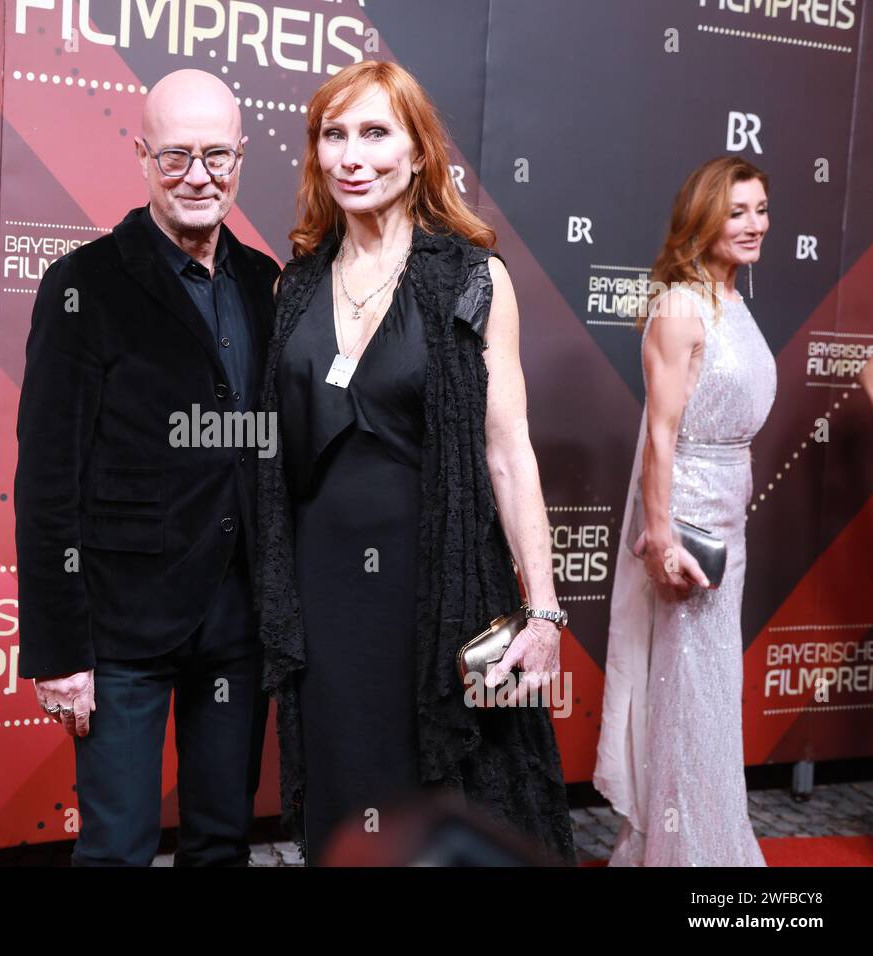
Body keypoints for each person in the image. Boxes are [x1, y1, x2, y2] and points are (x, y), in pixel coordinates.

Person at [256, 59, 576, 866]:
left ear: (419, 153)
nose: (353, 157)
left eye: (375, 133)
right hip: (323, 588)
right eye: (335, 135)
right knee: (343, 785)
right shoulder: (295, 285)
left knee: (444, 788)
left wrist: (541, 610)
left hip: (436, 585)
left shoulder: (472, 278)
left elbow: (507, 450)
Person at [14, 69, 279, 866]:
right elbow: (46, 479)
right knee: (117, 850)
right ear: (141, 157)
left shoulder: (270, 285)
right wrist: (59, 650)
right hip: (120, 626)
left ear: (241, 156)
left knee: (222, 842)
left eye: (216, 156)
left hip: (239, 620)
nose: (198, 177)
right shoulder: (82, 286)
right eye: (175, 157)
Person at [594, 156, 776, 866]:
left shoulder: (734, 301)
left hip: (728, 524)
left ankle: (708, 844)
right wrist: (661, 537)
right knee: (688, 699)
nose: (755, 224)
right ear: (703, 219)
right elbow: (661, 436)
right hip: (688, 533)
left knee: (711, 698)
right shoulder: (680, 306)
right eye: (737, 211)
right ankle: (684, 854)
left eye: (761, 209)